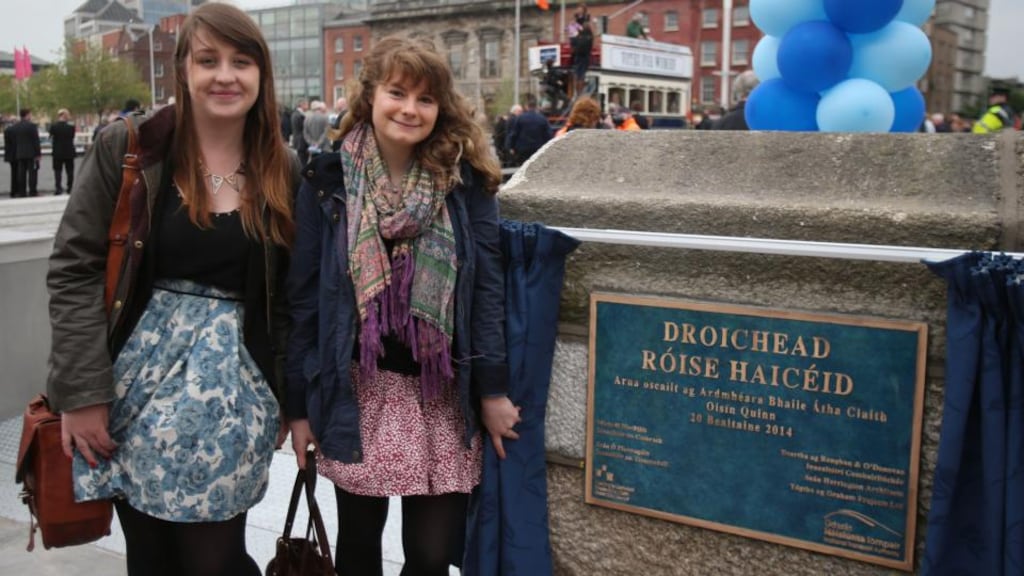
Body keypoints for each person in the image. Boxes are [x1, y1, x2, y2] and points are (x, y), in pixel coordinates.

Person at [46, 4, 296, 575]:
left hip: (235, 397)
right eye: (208, 60)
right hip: (134, 389)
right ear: (183, 68)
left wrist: (288, 396)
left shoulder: (281, 166)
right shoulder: (131, 148)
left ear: (261, 74)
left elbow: (288, 298)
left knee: (216, 558)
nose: (224, 75)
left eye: (241, 61)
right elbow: (75, 267)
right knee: (152, 558)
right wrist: (81, 392)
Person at [286, 36, 518, 575]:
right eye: (397, 92)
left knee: (434, 555)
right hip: (358, 392)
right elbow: (305, 303)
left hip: (442, 392)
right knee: (359, 546)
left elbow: (486, 295)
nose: (410, 109)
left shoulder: (465, 185)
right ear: (370, 97)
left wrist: (494, 389)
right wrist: (298, 406)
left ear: (442, 109)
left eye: (426, 99)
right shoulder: (328, 181)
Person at [506, 94, 553, 165]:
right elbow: (548, 134)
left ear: (527, 107)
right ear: (536, 107)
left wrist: (511, 146)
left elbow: (514, 133)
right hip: (538, 148)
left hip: (523, 149)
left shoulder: (520, 118)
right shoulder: (542, 119)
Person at [11, 108, 41, 197]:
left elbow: (14, 140)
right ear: (27, 115)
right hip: (31, 153)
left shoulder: (16, 127)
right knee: (32, 173)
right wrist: (38, 153)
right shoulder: (32, 126)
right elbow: (36, 140)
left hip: (20, 153)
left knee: (21, 174)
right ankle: (32, 191)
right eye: (30, 114)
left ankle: (22, 192)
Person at [49, 108, 77, 194]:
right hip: (69, 152)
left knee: (57, 171)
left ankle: (58, 188)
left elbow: (50, 137)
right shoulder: (71, 127)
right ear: (65, 116)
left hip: (57, 152)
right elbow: (72, 137)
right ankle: (70, 188)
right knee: (70, 171)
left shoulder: (53, 127)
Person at [571, 21, 594, 96]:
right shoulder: (590, 36)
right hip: (585, 57)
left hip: (578, 56)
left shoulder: (579, 35)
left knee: (577, 74)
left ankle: (576, 91)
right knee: (582, 75)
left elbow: (573, 43)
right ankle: (580, 92)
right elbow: (590, 47)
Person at [291, 97, 309, 164]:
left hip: (298, 141)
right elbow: (304, 129)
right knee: (302, 162)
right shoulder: (299, 115)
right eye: (307, 104)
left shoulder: (295, 114)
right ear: (302, 105)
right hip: (301, 142)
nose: (308, 106)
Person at [3, 119, 16, 196]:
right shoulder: (14, 130)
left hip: (10, 155)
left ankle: (13, 191)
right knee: (17, 174)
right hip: (15, 155)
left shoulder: (7, 130)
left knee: (13, 173)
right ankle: (15, 190)